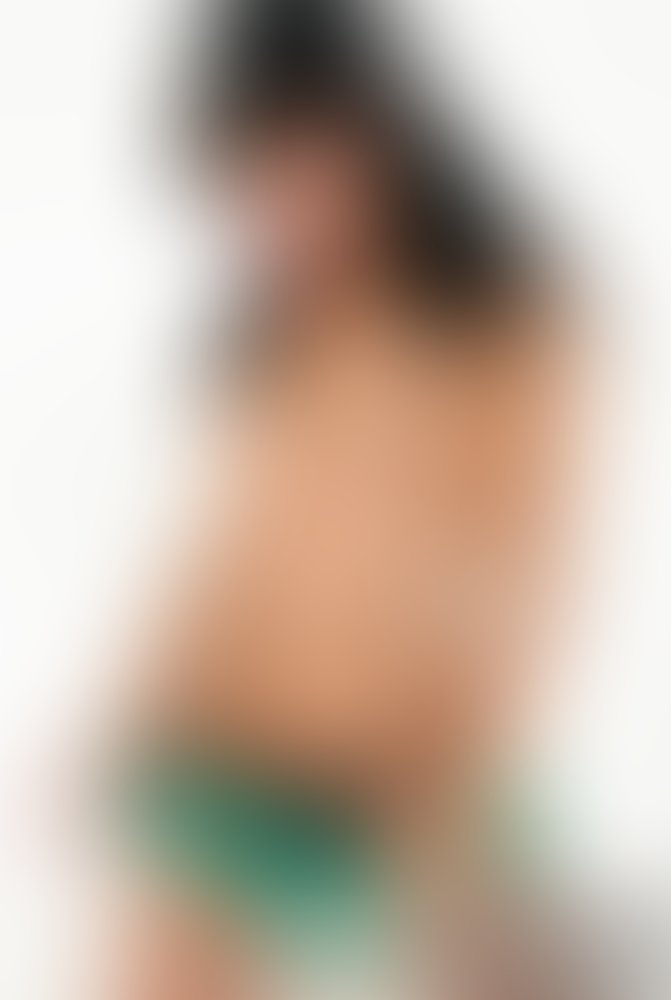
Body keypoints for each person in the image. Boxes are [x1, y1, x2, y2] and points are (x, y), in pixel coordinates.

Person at [115, 1, 585, 996]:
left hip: (422, 769)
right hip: (241, 751)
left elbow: (529, 574)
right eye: (250, 183)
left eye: (300, 167)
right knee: (156, 964)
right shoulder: (288, 336)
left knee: (509, 956)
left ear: (384, 140)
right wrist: (139, 709)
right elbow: (227, 563)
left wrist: (451, 763)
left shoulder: (512, 321)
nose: (276, 212)